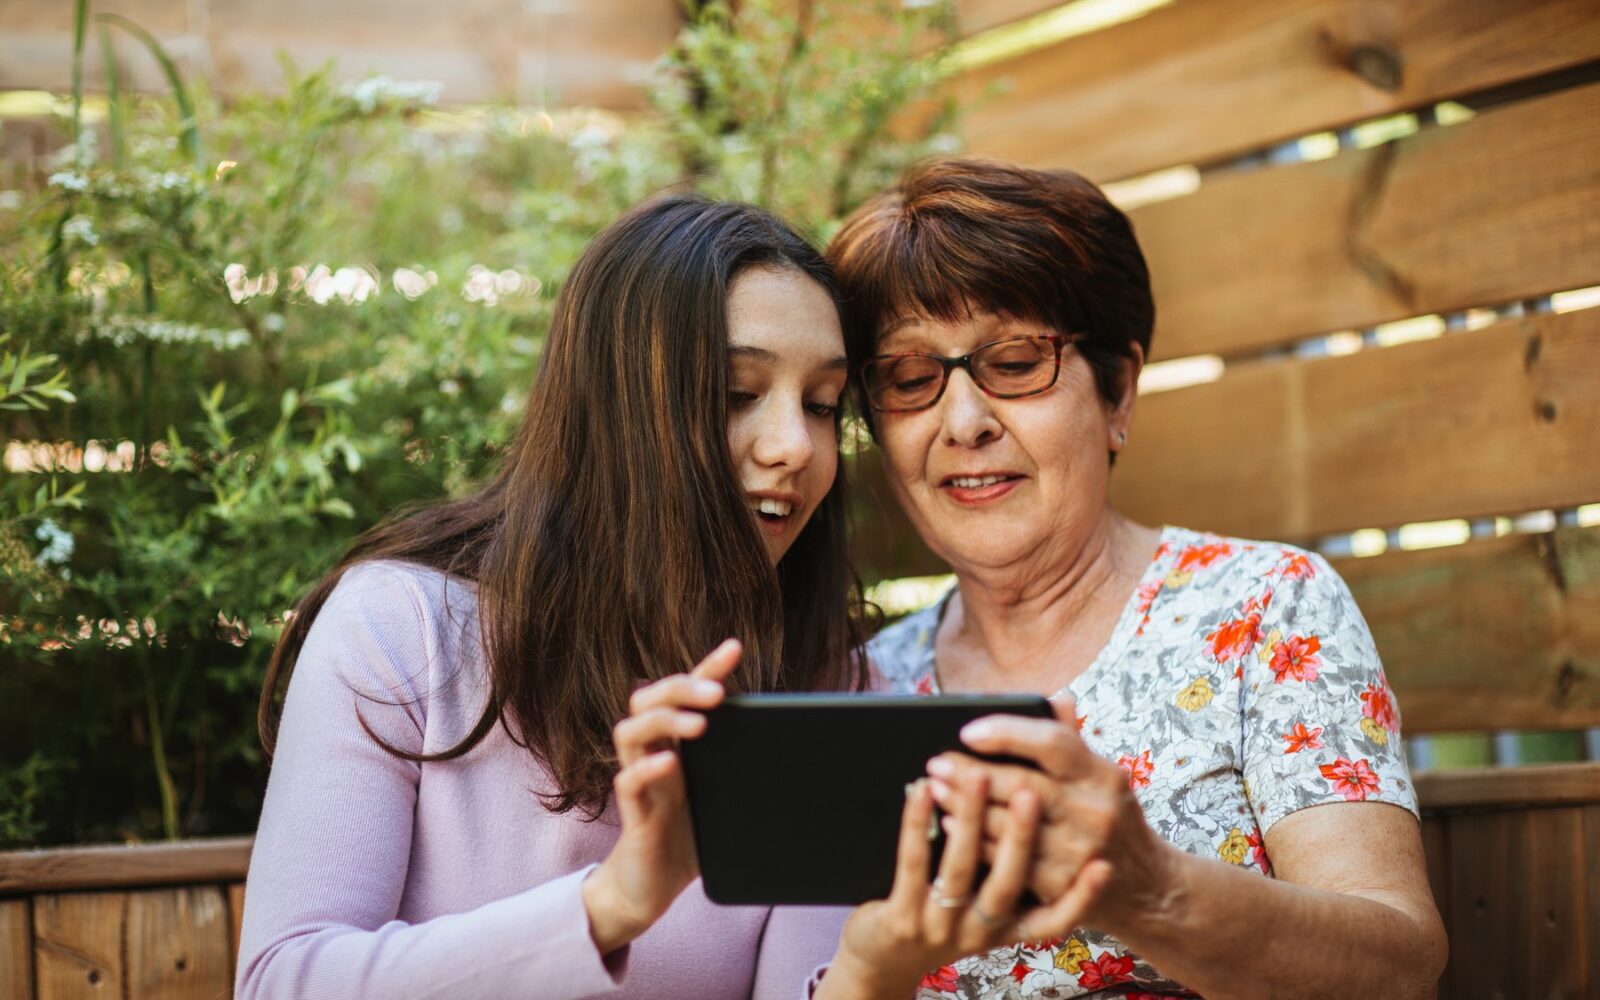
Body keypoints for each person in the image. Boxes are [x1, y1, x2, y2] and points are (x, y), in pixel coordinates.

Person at [820, 158, 1450, 999]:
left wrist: (1148, 888)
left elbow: (1398, 966)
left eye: (1013, 362)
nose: (963, 422)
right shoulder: (865, 685)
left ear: (1117, 392)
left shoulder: (1265, 607)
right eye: (909, 379)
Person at [237, 195, 891, 999]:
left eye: (822, 406)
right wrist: (613, 903)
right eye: (735, 392)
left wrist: (874, 967)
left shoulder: (827, 688)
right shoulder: (401, 632)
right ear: (618, 410)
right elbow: (285, 982)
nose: (796, 445)